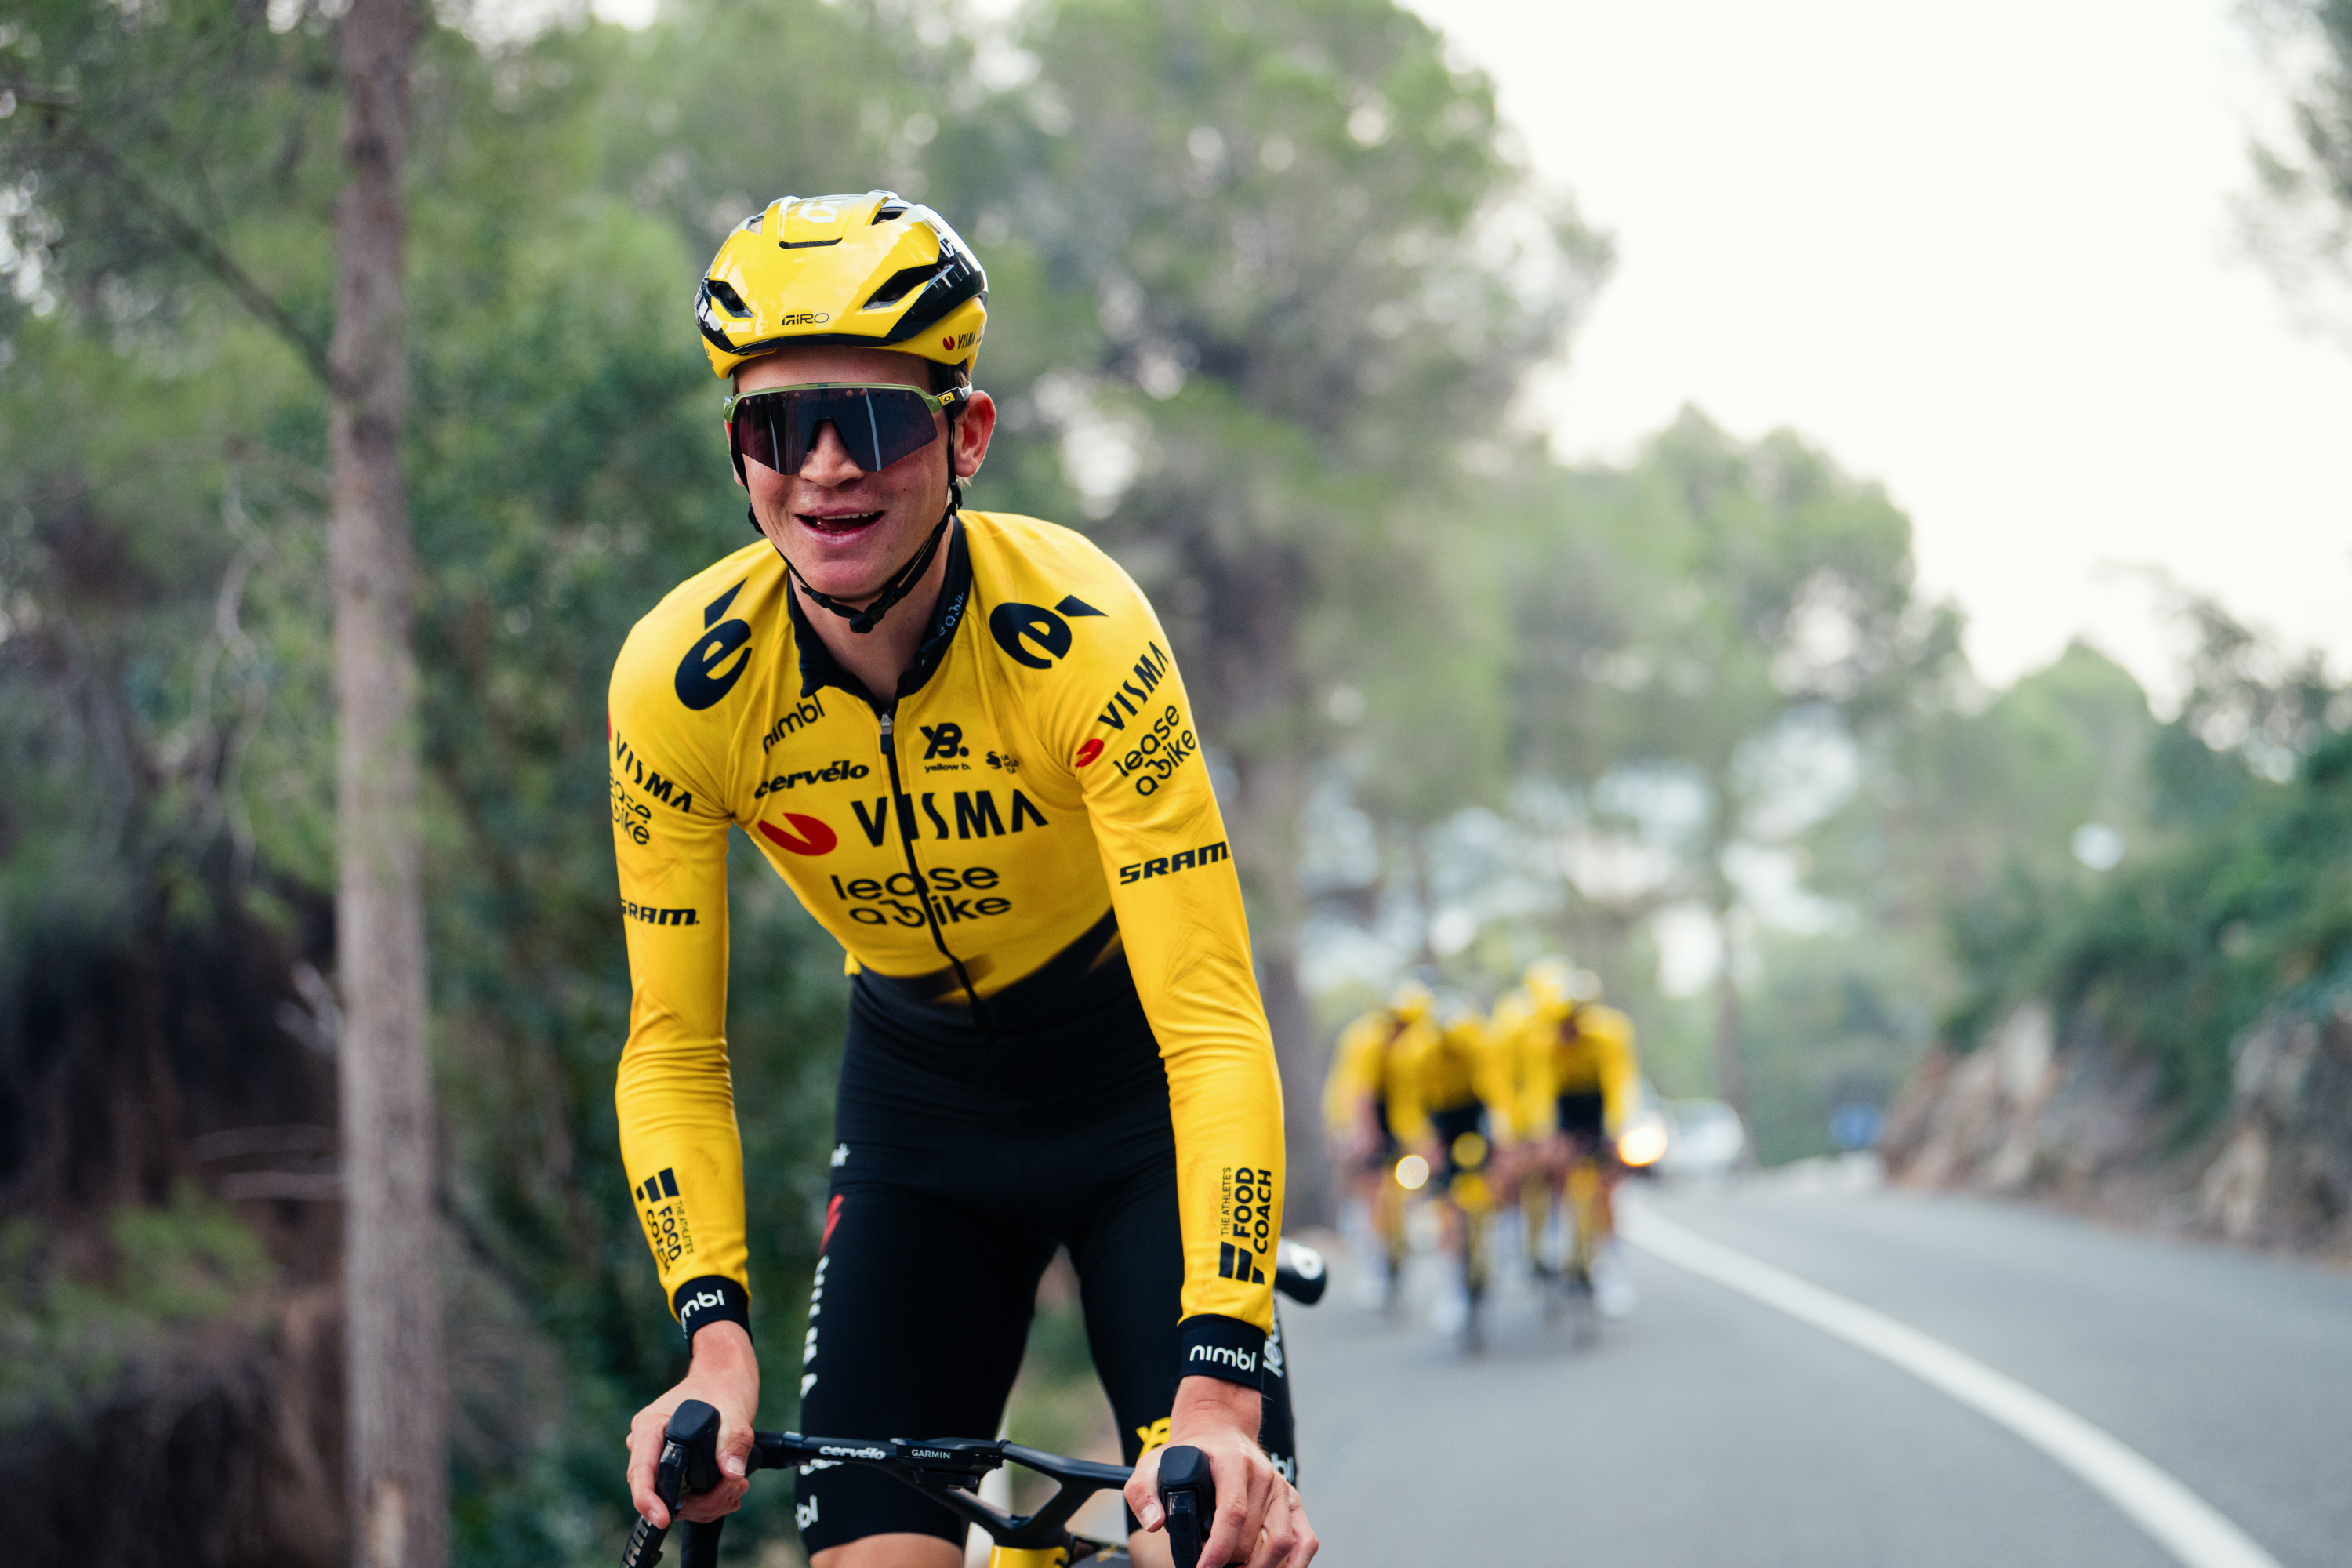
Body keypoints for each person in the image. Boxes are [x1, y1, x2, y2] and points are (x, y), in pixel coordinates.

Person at [608, 191, 1315, 1568]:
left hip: (1132, 1105)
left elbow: (1216, 1021)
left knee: (1207, 1541)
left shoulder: (1083, 636)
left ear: (964, 434)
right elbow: (674, 1048)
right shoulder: (680, 685)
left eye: (868, 422)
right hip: (918, 1114)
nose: (821, 470)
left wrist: (1221, 1387)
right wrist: (714, 1347)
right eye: (773, 425)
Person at [1510, 959, 1641, 1317]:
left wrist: (1618, 1131)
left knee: (1605, 1187)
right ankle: (1551, 1241)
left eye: (1574, 1019)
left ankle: (1611, 1264)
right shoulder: (1541, 1042)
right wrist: (1543, 1136)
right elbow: (1539, 1093)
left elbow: (1620, 1086)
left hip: (1595, 1106)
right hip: (1561, 1109)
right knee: (1544, 1166)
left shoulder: (1610, 1034)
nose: (1567, 1028)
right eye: (1560, 1021)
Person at [1387, 992, 1515, 1341]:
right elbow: (1407, 1107)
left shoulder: (1477, 1042)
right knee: (1446, 1205)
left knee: (1496, 1175)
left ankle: (1497, 1235)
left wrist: (1500, 1138)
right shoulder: (1414, 1051)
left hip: (1474, 1113)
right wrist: (1421, 1144)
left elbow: (1497, 1092)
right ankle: (1453, 1289)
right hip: (1439, 1118)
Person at [1321, 980, 1427, 1309]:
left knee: (1406, 1174)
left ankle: (1401, 1232)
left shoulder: (1417, 1045)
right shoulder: (1366, 1039)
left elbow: (1416, 1098)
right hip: (1352, 1107)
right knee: (1367, 1177)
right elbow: (1360, 1095)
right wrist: (1364, 1139)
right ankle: (1370, 1256)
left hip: (1395, 1107)